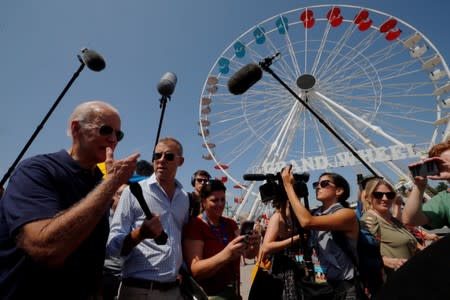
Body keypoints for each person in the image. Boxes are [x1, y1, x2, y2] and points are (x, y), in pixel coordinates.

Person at [0, 100, 139, 299]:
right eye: (106, 130)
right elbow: (45, 249)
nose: (113, 139)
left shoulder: (98, 182)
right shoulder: (36, 171)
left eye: (119, 134)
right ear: (76, 129)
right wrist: (111, 185)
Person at [107, 136, 188, 300]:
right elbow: (113, 246)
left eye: (168, 156)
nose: (161, 160)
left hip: (173, 290)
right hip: (139, 289)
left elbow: (181, 239)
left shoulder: (184, 198)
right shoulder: (133, 192)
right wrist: (140, 234)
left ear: (181, 161)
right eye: (157, 156)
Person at [281, 166, 360, 300]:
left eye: (324, 184)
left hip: (344, 287)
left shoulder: (347, 214)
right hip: (321, 285)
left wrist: (288, 186)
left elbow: (307, 221)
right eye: (316, 184)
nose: (318, 187)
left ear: (339, 191)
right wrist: (289, 192)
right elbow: (290, 220)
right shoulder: (315, 213)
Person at [183, 179, 260, 299]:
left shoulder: (230, 224)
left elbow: (248, 255)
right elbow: (196, 270)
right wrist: (227, 254)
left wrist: (255, 243)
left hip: (234, 293)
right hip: (210, 295)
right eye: (214, 200)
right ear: (203, 202)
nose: (220, 204)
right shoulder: (195, 225)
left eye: (223, 199)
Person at [360, 178, 418, 277]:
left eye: (389, 195)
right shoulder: (369, 220)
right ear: (368, 197)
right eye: (378, 194)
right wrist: (387, 261)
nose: (385, 198)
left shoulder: (392, 220)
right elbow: (363, 253)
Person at [260, 198, 302, 299]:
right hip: (280, 270)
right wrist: (295, 238)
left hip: (291, 268)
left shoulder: (289, 217)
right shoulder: (277, 217)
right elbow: (266, 246)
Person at [403, 140, 450, 229]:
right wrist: (419, 186)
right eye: (442, 164)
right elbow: (411, 219)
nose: (447, 165)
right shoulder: (443, 200)